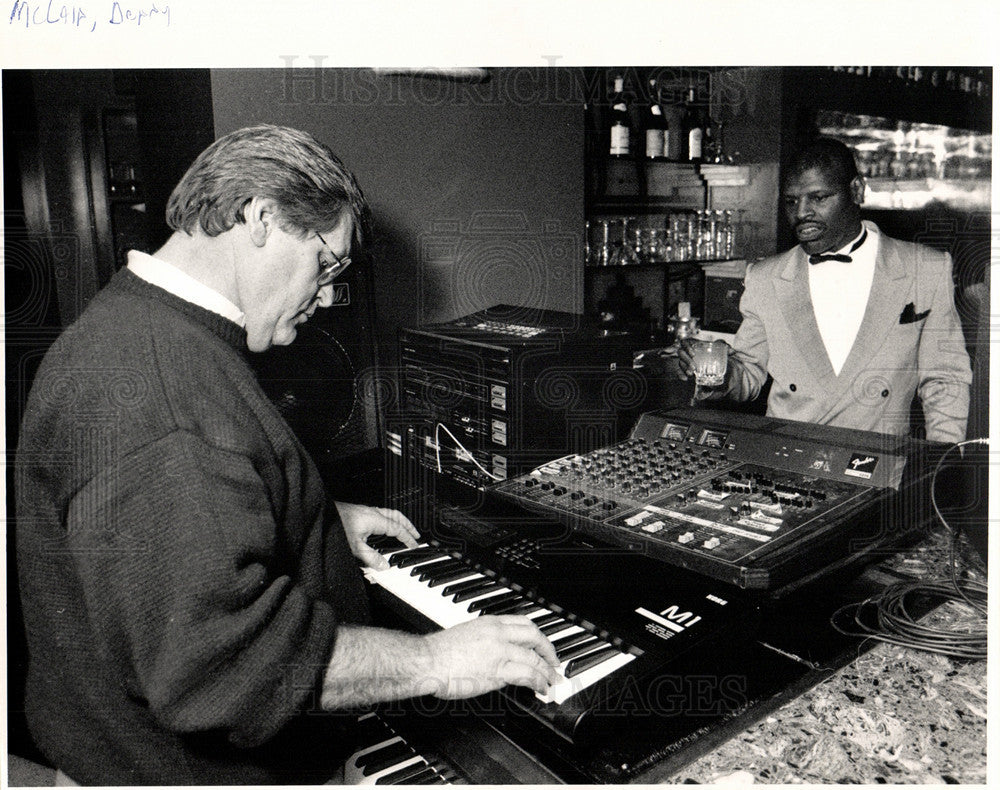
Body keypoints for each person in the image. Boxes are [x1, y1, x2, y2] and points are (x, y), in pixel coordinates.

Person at [15, 125, 559, 785]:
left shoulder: (137, 323)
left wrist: (310, 516)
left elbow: (173, 512)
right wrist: (434, 663)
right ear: (261, 217)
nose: (328, 295)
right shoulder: (162, 392)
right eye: (327, 263)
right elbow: (219, 668)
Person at [679, 137, 971, 444]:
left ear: (857, 191)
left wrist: (944, 460)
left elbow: (945, 379)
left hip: (880, 461)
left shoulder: (924, 268)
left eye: (818, 198)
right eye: (791, 201)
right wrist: (720, 374)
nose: (802, 213)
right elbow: (749, 371)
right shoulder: (766, 278)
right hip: (787, 456)